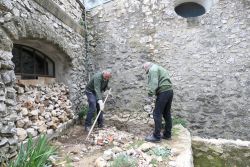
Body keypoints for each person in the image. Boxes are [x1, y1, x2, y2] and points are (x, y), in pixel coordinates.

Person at [143, 62, 174, 143]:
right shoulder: (160, 68)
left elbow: (154, 83)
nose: (147, 73)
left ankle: (156, 136)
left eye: (146, 71)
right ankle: (167, 134)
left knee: (157, 113)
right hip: (169, 91)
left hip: (163, 91)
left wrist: (150, 94)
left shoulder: (152, 69)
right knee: (167, 113)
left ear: (147, 67)